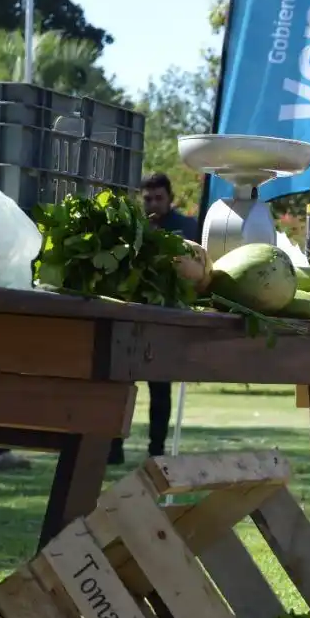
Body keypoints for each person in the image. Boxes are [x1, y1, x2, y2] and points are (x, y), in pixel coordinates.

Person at [109, 174, 201, 466]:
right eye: (148, 198)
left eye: (159, 198)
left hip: (165, 318)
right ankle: (113, 448)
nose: (153, 204)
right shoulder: (132, 228)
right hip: (131, 315)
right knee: (121, 385)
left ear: (170, 198)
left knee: (160, 388)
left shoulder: (187, 229)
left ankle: (156, 451)